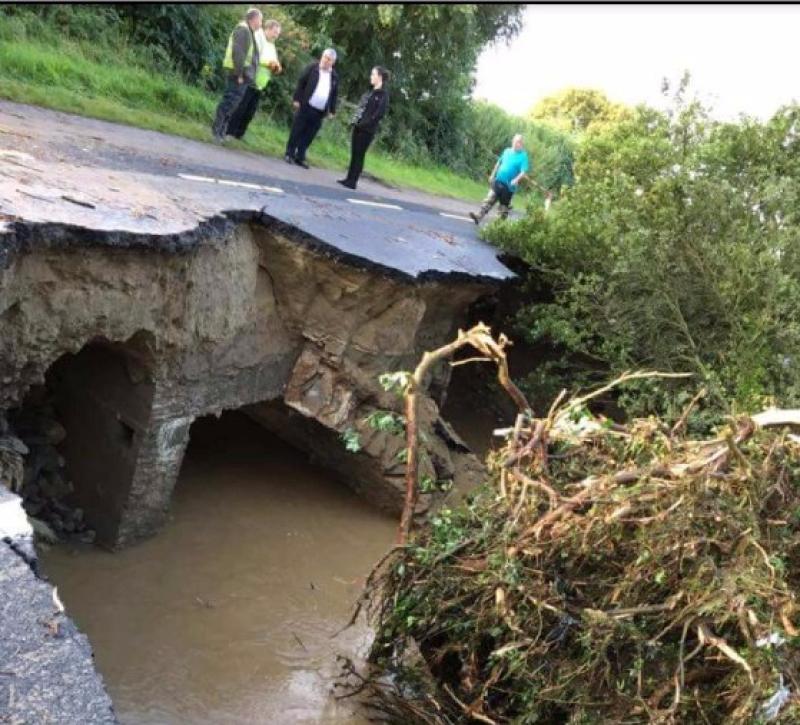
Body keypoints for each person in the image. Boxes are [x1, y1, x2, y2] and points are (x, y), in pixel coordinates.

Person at [469, 134, 549, 224]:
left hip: (509, 186)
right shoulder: (507, 151)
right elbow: (499, 162)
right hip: (498, 180)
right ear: (512, 141)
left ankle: (499, 226)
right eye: (514, 141)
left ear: (522, 144)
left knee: (503, 207)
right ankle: (478, 216)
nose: (515, 144)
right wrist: (492, 174)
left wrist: (516, 180)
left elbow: (523, 172)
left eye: (518, 142)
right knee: (489, 199)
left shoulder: (523, 156)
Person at [211, 8, 262, 144]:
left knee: (233, 104)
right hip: (238, 75)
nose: (261, 23)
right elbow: (238, 54)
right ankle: (217, 131)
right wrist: (239, 74)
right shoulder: (243, 30)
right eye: (260, 20)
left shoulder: (249, 32)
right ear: (254, 19)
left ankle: (221, 131)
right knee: (228, 103)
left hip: (244, 76)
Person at [227, 19, 282, 140]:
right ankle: (229, 132)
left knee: (250, 111)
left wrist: (277, 67)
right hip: (249, 79)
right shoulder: (258, 37)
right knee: (240, 107)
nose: (276, 36)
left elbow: (275, 61)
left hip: (260, 84)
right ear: (267, 29)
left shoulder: (272, 45)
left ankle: (239, 134)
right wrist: (269, 64)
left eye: (278, 34)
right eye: (275, 32)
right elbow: (254, 57)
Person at [337, 66, 389, 190]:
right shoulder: (369, 92)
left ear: (380, 77)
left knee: (360, 154)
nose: (371, 77)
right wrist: (355, 122)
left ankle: (353, 181)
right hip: (358, 126)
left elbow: (379, 114)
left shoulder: (383, 95)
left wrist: (367, 123)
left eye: (373, 74)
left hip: (367, 130)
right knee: (354, 153)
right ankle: (348, 178)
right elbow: (361, 108)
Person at [284, 49, 339, 169]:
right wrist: (297, 99)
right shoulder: (312, 68)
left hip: (320, 111)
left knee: (309, 134)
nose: (325, 60)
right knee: (297, 130)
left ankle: (300, 156)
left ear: (333, 62)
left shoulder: (334, 76)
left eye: (329, 59)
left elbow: (334, 94)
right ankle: (289, 153)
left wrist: (332, 111)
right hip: (306, 105)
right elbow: (301, 83)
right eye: (324, 57)